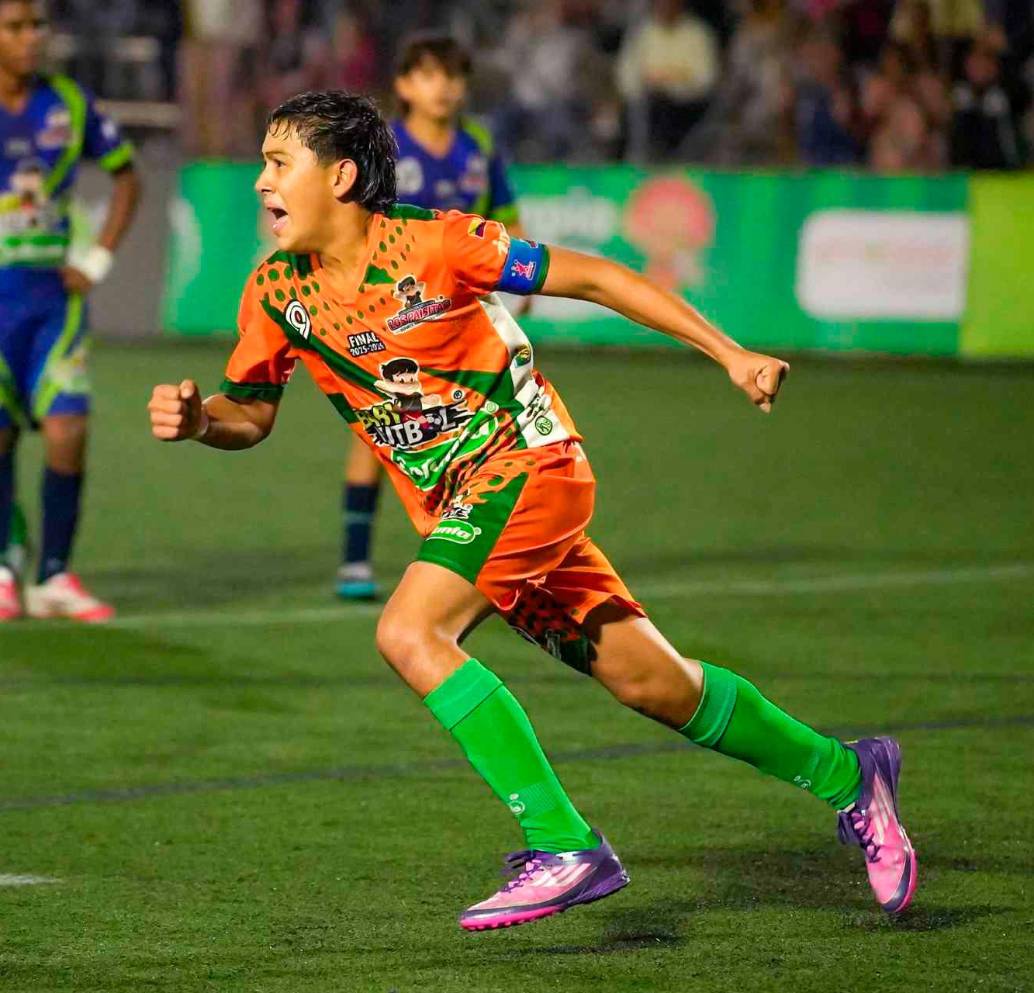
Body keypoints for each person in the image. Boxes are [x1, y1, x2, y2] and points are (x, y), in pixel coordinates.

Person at [147, 91, 917, 931]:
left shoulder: (438, 242)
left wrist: (728, 353)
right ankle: (851, 774)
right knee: (653, 682)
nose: (260, 180)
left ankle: (563, 843)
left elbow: (597, 275)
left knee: (409, 631)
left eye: (276, 161)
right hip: (469, 509)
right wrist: (199, 423)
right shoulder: (274, 290)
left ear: (341, 175)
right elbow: (249, 412)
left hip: (528, 468)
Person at [335, 32, 529, 601]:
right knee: (383, 431)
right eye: (428, 75)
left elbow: (506, 214)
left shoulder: (478, 145)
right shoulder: (383, 145)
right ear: (403, 86)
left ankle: (484, 546)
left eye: (452, 76)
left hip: (468, 310)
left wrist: (521, 272)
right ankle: (354, 560)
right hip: (393, 309)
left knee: (484, 425)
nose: (443, 87)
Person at [0, 0, 139, 622]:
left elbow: (127, 178)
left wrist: (98, 260)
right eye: (15, 27)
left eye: (37, 27)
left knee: (68, 428)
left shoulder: (70, 104)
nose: (31, 39)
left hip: (53, 300)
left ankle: (54, 573)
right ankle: (6, 567)